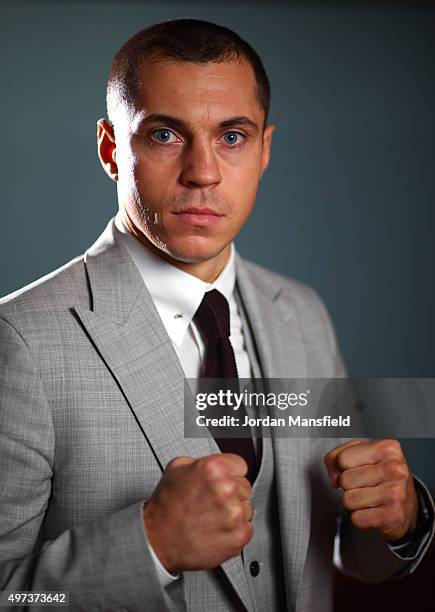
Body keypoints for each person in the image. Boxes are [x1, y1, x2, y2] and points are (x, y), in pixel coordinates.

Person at [0, 18, 433, 612]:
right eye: (164, 136)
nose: (203, 172)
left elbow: (343, 548)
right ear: (110, 149)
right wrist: (147, 546)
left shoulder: (301, 314)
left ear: (264, 149)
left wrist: (398, 519)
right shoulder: (20, 340)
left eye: (232, 136)